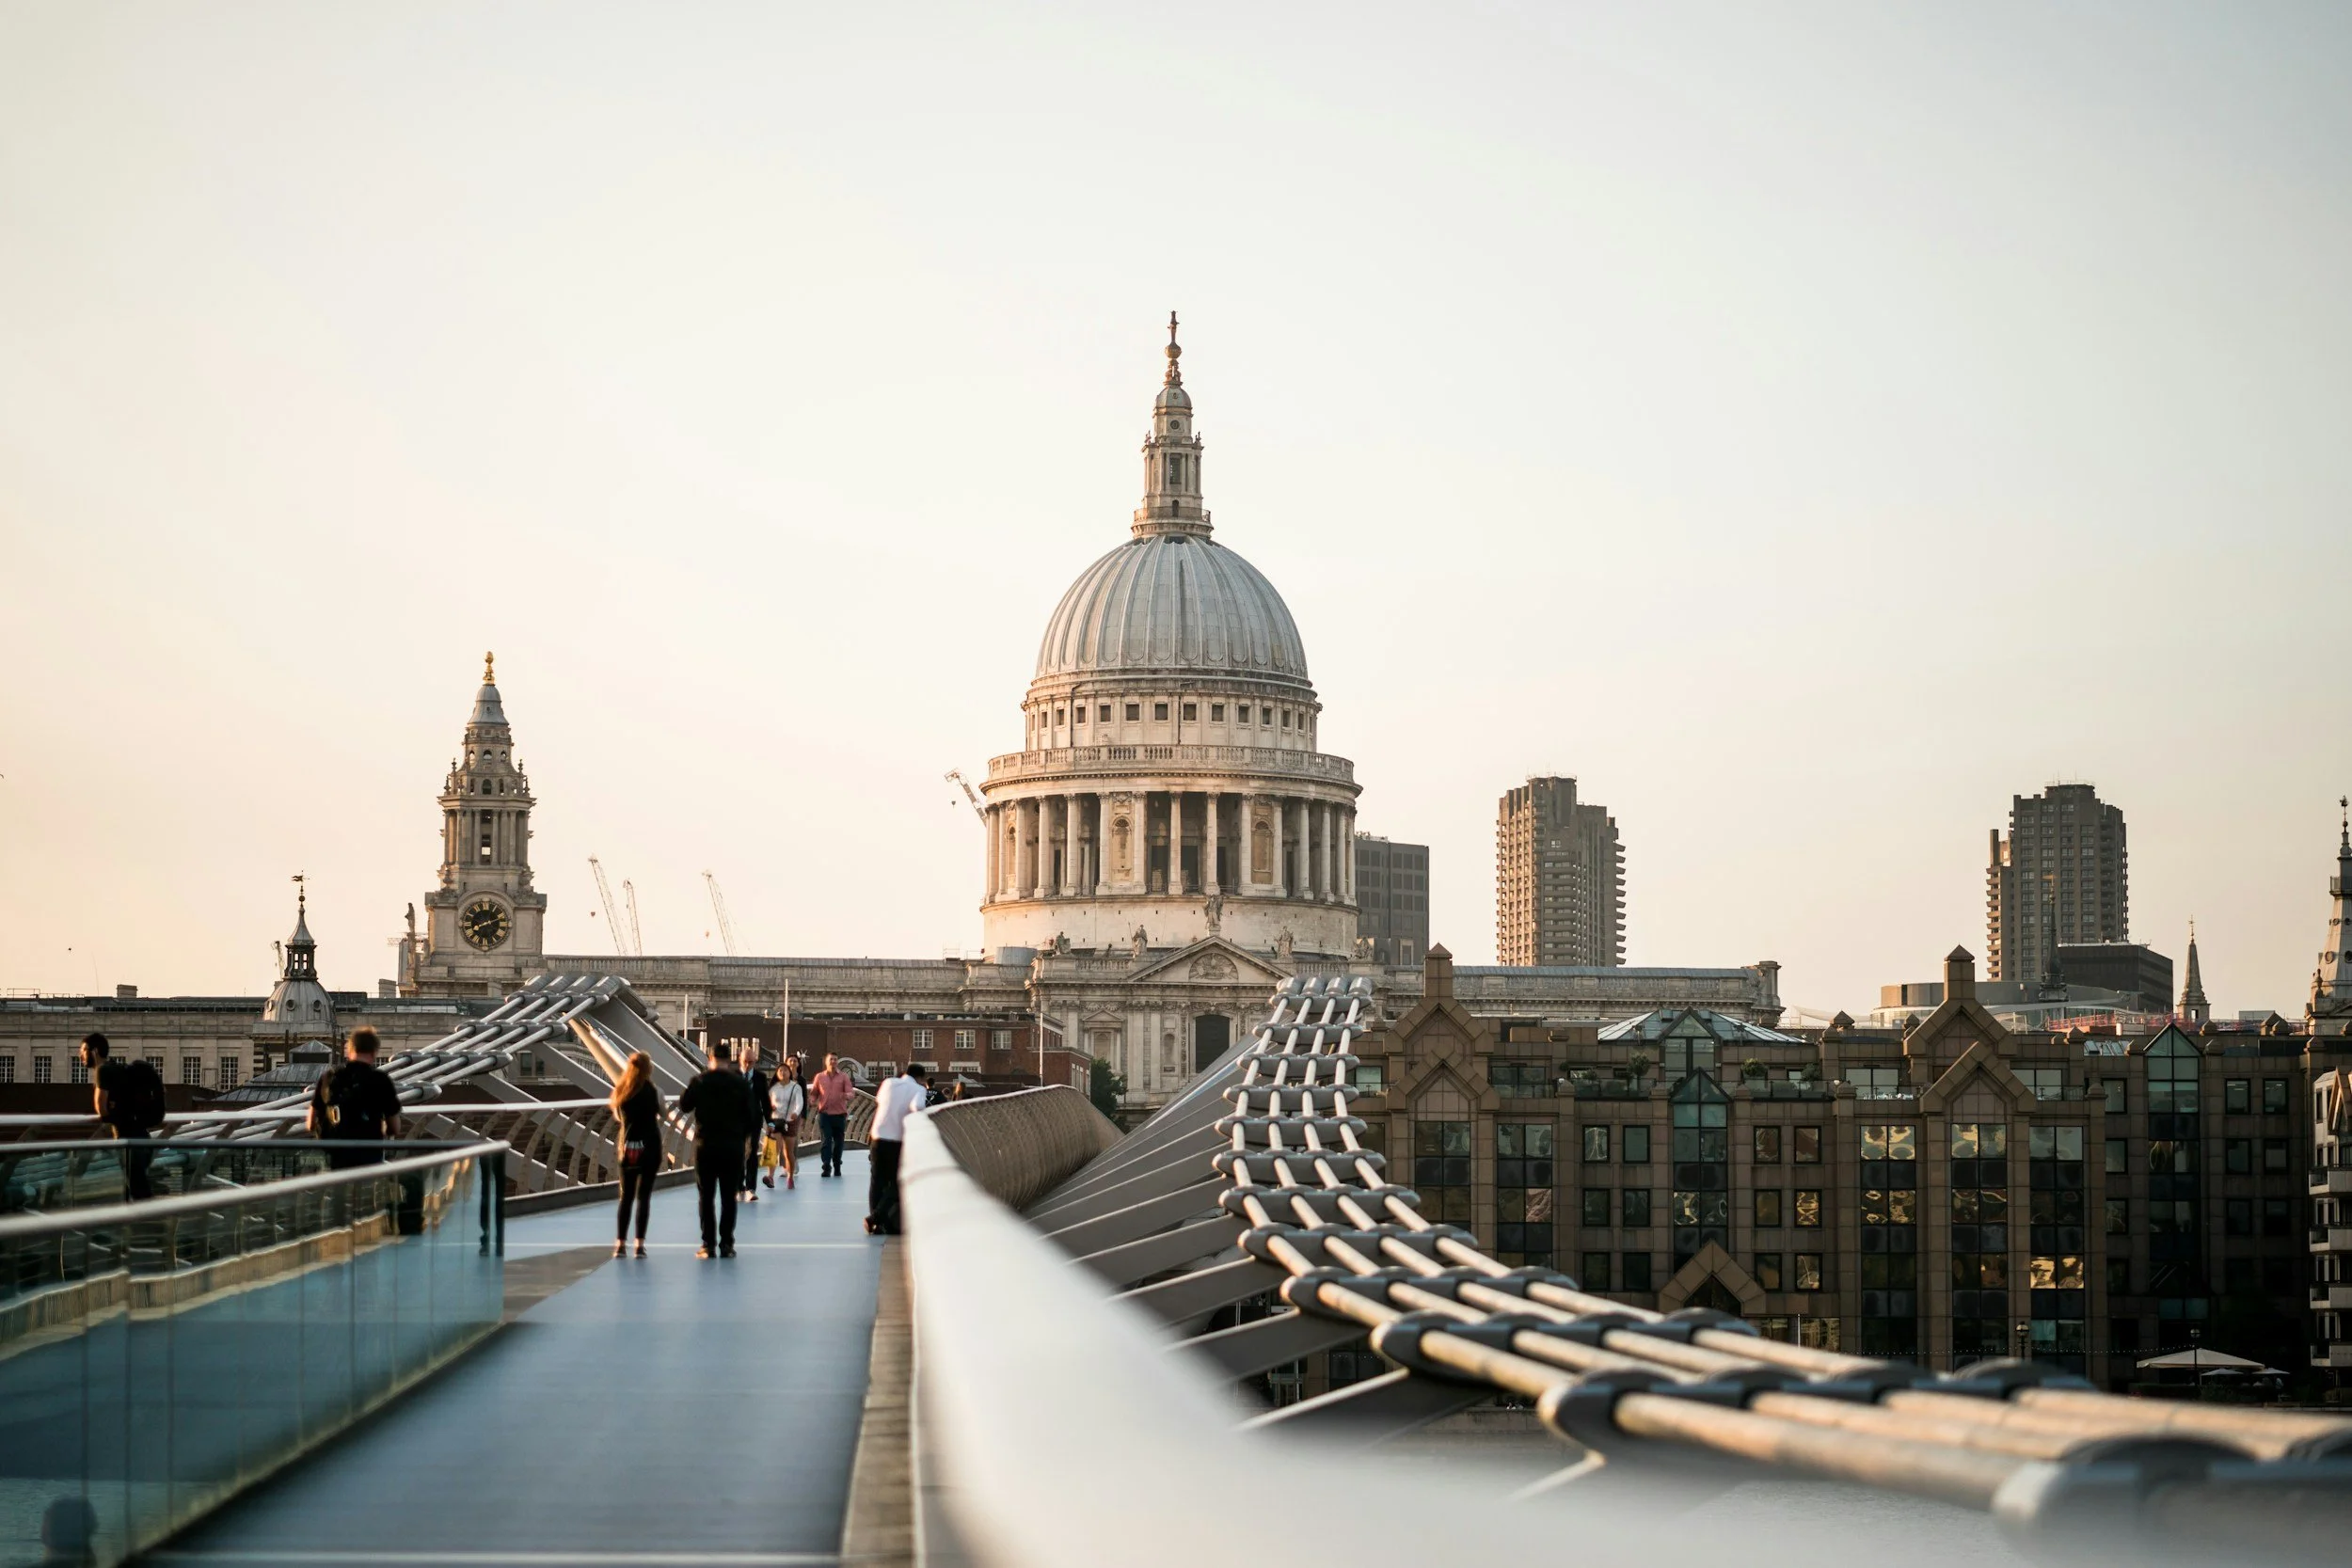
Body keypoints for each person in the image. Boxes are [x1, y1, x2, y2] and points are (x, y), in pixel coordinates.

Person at [677, 1039, 753, 1259]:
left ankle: (708, 1244)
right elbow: (751, 1117)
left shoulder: (700, 1081)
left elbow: (684, 1105)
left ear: (710, 1059)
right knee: (729, 1196)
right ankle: (727, 1244)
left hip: (706, 1145)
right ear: (729, 1060)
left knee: (706, 1196)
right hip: (732, 1146)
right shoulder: (740, 1083)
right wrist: (742, 1139)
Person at [306, 1027, 404, 1168]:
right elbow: (394, 1127)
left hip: (333, 1155)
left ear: (350, 1050)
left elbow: (311, 1123)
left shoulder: (329, 1076)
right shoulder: (381, 1080)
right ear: (374, 1052)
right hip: (368, 1155)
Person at [83, 1032, 165, 1200]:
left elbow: (100, 1108)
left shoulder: (103, 1070)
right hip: (143, 1138)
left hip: (129, 1142)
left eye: (83, 1050)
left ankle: (155, 1224)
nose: (81, 1055)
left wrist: (111, 1111)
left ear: (95, 1051)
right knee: (137, 1192)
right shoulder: (118, 1069)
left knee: (140, 1195)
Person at [866, 1061, 930, 1236]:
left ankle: (875, 1223)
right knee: (897, 1181)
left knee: (876, 1180)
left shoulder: (888, 1083)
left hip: (877, 1135)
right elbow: (918, 1107)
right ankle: (877, 1217)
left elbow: (879, 1100)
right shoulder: (919, 1089)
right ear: (920, 1078)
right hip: (897, 1139)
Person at [609, 1051, 661, 1259]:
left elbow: (619, 1118)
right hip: (650, 1147)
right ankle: (639, 1245)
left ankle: (620, 1244)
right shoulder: (654, 1091)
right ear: (649, 1069)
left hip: (628, 1147)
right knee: (644, 1197)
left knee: (626, 1197)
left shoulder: (621, 1091)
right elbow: (663, 1113)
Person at [738, 1045, 772, 1203]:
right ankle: (739, 1187)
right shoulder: (734, 1076)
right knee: (737, 1153)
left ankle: (751, 1188)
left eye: (751, 1062)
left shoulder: (760, 1077)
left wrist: (769, 1121)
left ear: (755, 1061)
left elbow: (765, 1100)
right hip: (736, 1122)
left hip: (754, 1120)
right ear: (740, 1060)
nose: (748, 1065)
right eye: (745, 1061)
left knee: (752, 1152)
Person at [811, 1053, 853, 1179]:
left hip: (840, 1114)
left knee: (839, 1142)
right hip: (825, 1114)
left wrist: (847, 1095)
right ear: (826, 1062)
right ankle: (826, 1166)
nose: (833, 1061)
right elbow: (814, 1092)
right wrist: (812, 1100)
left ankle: (837, 1164)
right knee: (826, 1140)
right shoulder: (819, 1077)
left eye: (835, 1059)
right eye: (831, 1059)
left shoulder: (844, 1077)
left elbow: (851, 1092)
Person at [767, 1056, 805, 1191]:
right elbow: (767, 1103)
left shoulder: (796, 1087)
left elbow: (800, 1102)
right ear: (777, 1074)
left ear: (790, 1072)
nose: (783, 1073)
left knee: (788, 1152)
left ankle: (790, 1177)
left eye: (785, 1071)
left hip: (790, 1122)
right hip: (776, 1121)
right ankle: (770, 1177)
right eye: (780, 1071)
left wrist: (796, 1112)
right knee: (773, 1150)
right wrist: (770, 1107)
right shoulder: (773, 1088)